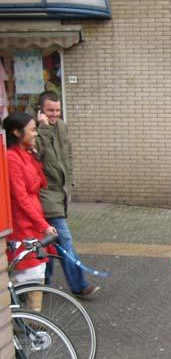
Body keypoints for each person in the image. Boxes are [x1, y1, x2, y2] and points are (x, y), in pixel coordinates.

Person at [36, 91, 98, 298]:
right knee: (64, 240)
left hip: (59, 194)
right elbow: (38, 153)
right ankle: (79, 285)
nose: (54, 114)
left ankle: (42, 284)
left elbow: (67, 154)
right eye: (50, 111)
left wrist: (69, 181)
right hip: (46, 195)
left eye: (57, 110)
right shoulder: (35, 129)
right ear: (41, 111)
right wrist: (43, 127)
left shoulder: (61, 126)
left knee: (48, 241)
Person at [3, 113, 57, 311]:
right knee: (29, 273)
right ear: (17, 132)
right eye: (32, 130)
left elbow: (41, 182)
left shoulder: (26, 154)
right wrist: (44, 225)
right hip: (22, 222)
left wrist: (36, 157)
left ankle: (32, 321)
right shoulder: (11, 158)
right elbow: (21, 197)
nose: (35, 134)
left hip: (34, 218)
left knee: (37, 271)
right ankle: (31, 322)